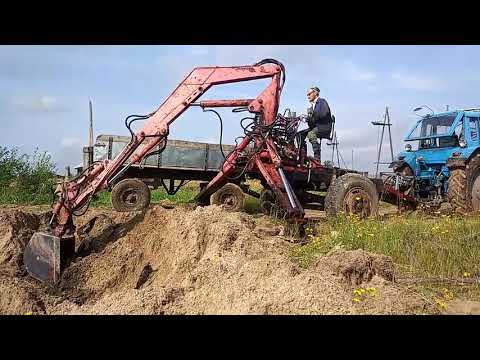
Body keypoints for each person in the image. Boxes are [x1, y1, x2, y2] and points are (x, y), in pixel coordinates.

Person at [303, 86, 333, 162]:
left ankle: (317, 156)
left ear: (315, 93)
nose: (308, 96)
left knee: (311, 134)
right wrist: (308, 120)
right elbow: (312, 124)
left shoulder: (322, 102)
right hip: (317, 127)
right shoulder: (311, 107)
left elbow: (324, 113)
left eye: (309, 94)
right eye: (307, 94)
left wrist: (313, 116)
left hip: (324, 127)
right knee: (301, 134)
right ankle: (302, 154)